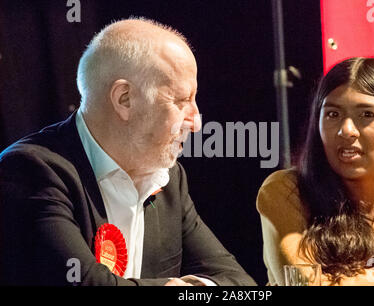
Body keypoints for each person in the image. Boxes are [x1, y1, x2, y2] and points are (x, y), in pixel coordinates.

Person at [0, 18, 256, 286]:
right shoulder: (31, 170)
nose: (196, 122)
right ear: (125, 99)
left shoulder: (169, 179)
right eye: (181, 100)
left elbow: (238, 282)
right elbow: (84, 283)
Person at [257, 57, 374, 286]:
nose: (346, 130)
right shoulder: (283, 190)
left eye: (367, 114)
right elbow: (302, 285)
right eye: (332, 114)